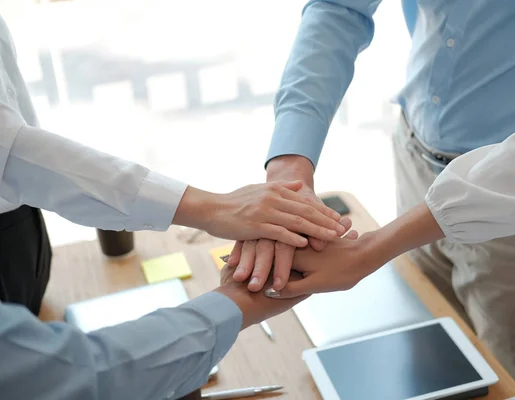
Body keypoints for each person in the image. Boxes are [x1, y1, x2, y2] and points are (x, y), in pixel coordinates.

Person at [227, 2, 515, 399]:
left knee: (514, 383)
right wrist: (289, 165)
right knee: (428, 354)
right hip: (416, 158)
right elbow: (339, 9)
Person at [0, 15, 345, 399]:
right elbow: (82, 374)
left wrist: (221, 207)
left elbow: (10, 148)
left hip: (20, 226)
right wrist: (236, 301)